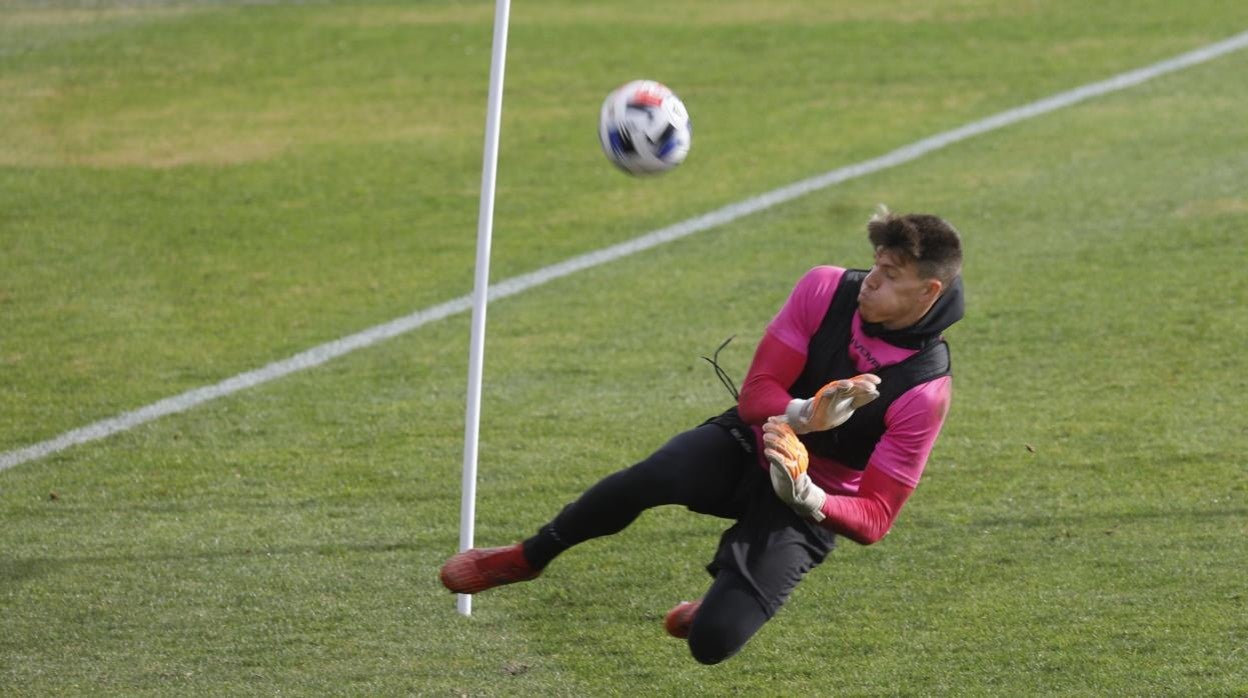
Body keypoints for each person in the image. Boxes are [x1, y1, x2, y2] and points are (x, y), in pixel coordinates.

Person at [440, 207, 965, 665]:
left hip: (811, 500)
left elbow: (875, 518)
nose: (871, 279)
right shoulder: (826, 288)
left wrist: (805, 493)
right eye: (875, 263)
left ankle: (709, 612)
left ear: (929, 291)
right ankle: (527, 557)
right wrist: (803, 415)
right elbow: (757, 395)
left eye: (890, 274)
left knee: (712, 644)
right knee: (652, 476)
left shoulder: (924, 389)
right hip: (752, 441)